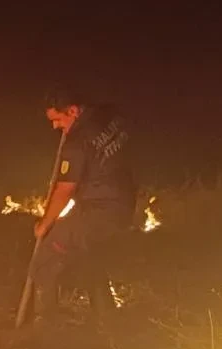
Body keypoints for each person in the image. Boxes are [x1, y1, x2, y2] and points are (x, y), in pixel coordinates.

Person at [26, 88, 137, 334]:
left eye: (58, 119)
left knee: (45, 259)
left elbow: (64, 189)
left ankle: (44, 327)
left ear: (73, 111)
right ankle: (107, 321)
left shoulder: (76, 142)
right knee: (90, 255)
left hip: (100, 210)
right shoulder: (108, 117)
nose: (55, 126)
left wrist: (45, 224)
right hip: (123, 202)